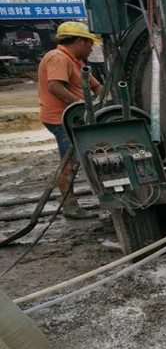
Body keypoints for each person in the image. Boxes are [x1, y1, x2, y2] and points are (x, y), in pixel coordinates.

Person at [38, 21, 102, 219]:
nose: (92, 47)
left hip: (73, 117)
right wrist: (81, 107)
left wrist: (103, 101)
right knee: (69, 162)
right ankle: (70, 206)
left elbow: (97, 86)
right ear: (80, 41)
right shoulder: (58, 58)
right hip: (61, 119)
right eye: (90, 43)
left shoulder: (76, 61)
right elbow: (55, 87)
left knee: (78, 159)